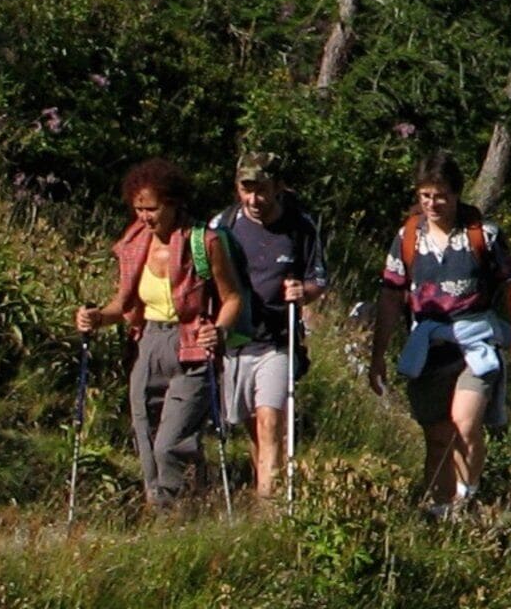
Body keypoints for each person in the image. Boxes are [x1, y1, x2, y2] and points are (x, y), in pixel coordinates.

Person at [374, 155, 511, 516]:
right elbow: (391, 295)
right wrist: (378, 354)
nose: (433, 203)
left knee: (465, 422)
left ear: (456, 194)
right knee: (437, 434)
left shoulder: (483, 235)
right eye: (426, 195)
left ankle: (467, 494)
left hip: (475, 342)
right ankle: (440, 510)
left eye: (441, 195)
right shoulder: (408, 237)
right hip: (428, 345)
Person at [76, 157, 226, 513]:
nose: (144, 217)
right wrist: (96, 318)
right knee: (145, 439)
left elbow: (233, 297)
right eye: (139, 209)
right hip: (146, 343)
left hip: (190, 346)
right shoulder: (134, 245)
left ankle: (177, 511)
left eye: (152, 209)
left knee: (170, 443)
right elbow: (124, 305)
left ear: (173, 204)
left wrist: (218, 330)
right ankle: (165, 507)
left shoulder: (204, 242)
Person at [210, 154, 327, 502]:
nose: (254, 199)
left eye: (261, 190)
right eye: (246, 190)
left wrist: (303, 292)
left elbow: (319, 279)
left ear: (278, 187)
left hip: (278, 341)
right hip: (235, 339)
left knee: (270, 422)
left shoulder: (300, 226)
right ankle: (265, 487)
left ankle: (270, 506)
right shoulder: (222, 226)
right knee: (252, 427)